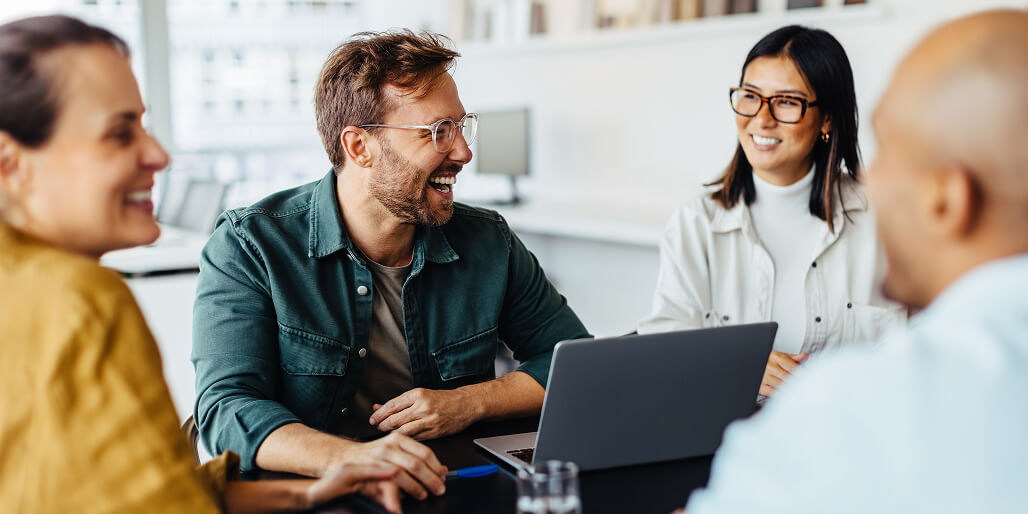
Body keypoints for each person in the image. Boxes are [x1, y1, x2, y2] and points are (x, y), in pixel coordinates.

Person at [0, 15, 403, 513]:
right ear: (9, 163)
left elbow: (80, 489)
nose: (158, 155)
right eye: (120, 134)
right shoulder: (79, 299)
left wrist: (305, 490)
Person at [191, 29, 589, 499]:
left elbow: (574, 365)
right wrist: (354, 458)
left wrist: (467, 402)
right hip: (308, 499)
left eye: (462, 126)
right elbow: (226, 408)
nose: (463, 152)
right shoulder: (249, 245)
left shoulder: (488, 239)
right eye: (439, 131)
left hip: (445, 490)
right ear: (360, 147)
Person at [681, 8, 1028, 513]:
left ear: (948, 199)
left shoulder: (847, 412)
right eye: (750, 97)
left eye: (890, 151)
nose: (869, 180)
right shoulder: (697, 220)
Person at [638, 25, 904, 398]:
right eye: (751, 96)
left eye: (786, 102)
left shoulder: (884, 217)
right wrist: (737, 363)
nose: (762, 118)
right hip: (728, 438)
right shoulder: (697, 222)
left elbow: (928, 344)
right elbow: (659, 350)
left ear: (827, 119)